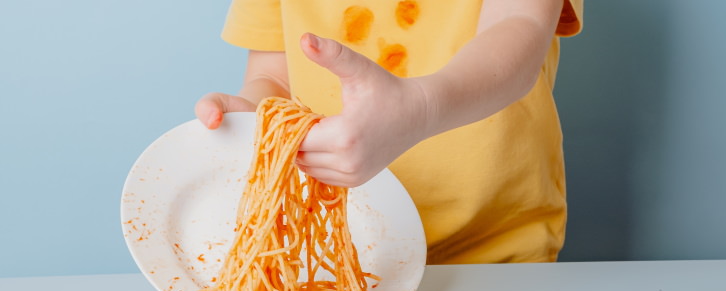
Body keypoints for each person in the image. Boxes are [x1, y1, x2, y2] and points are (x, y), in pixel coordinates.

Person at [195, 0, 583, 264]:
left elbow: (521, 24)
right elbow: (271, 77)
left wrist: (421, 108)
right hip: (334, 254)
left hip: (494, 248)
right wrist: (256, 116)